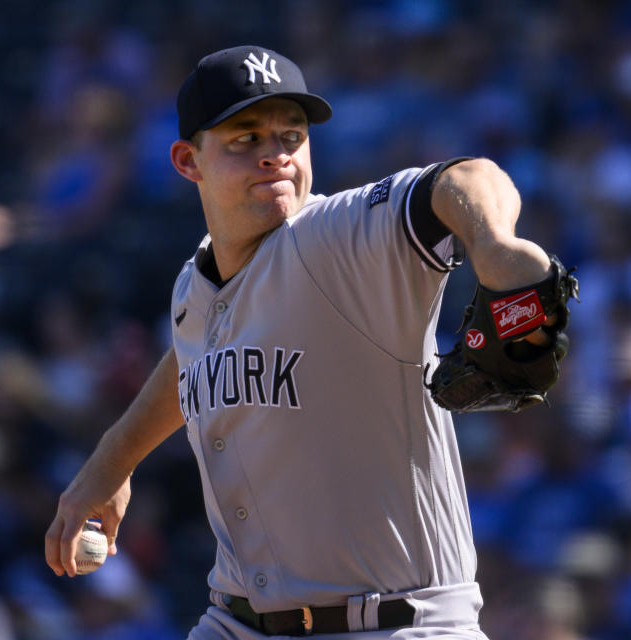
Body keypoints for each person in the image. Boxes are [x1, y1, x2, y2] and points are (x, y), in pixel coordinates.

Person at [45, 45, 564, 639]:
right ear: (189, 161)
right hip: (236, 620)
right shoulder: (196, 285)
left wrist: (495, 245)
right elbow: (193, 358)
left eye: (291, 137)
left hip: (394, 623)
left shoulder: (336, 238)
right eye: (246, 139)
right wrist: (112, 460)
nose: (276, 158)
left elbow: (468, 177)